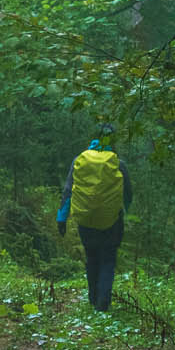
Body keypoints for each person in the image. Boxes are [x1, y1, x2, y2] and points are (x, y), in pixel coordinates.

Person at [58, 125, 132, 311]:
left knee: (92, 258)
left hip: (86, 219)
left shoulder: (79, 160)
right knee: (108, 258)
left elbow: (68, 191)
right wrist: (125, 211)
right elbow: (128, 193)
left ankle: (92, 298)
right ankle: (103, 301)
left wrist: (62, 217)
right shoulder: (118, 163)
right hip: (111, 220)